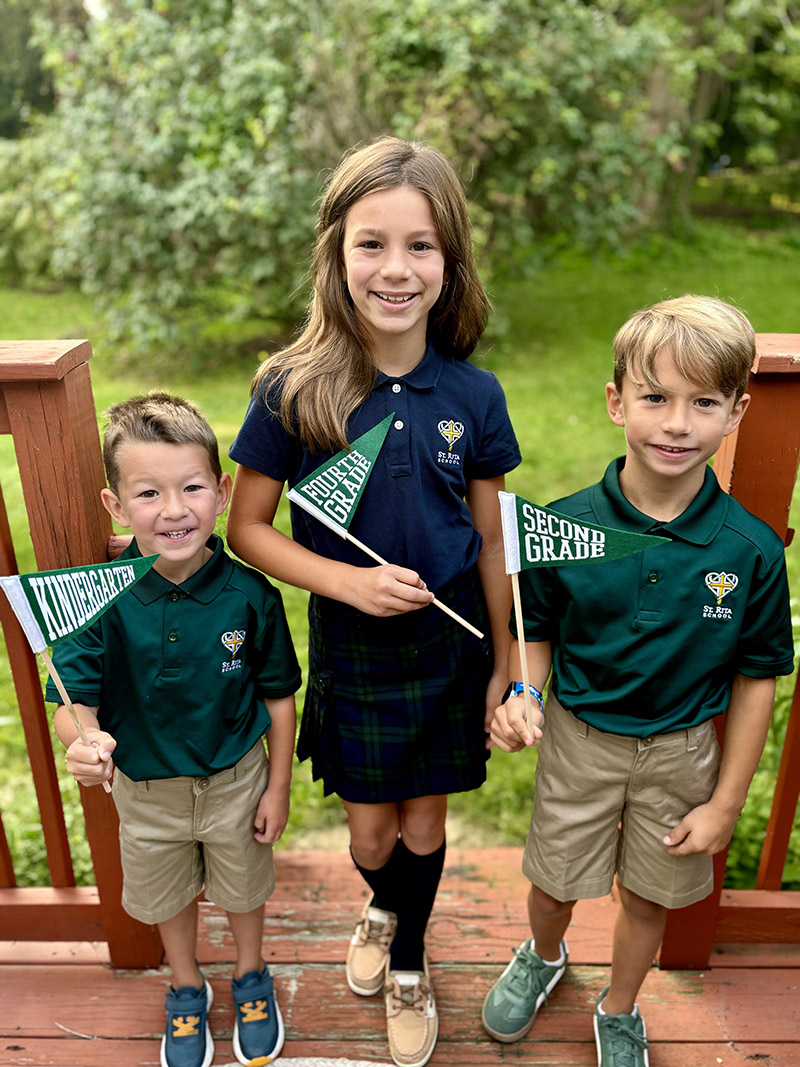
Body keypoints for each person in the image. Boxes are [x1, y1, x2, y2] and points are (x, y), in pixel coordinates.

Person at [227, 136, 520, 1067]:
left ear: (450, 261)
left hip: (449, 653)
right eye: (372, 243)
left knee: (425, 823)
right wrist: (348, 579)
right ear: (336, 252)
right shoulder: (292, 387)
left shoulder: (473, 394)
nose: (396, 268)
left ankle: (409, 959)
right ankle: (383, 898)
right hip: (353, 651)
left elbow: (492, 539)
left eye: (421, 246)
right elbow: (249, 528)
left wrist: (509, 663)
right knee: (370, 829)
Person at [482, 295, 795, 1067]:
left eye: (703, 403)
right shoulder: (568, 524)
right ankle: (544, 953)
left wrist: (727, 801)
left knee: (650, 896)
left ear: (736, 411)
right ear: (618, 402)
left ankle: (620, 1005)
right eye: (655, 397)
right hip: (580, 740)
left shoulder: (750, 550)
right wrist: (524, 693)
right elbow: (538, 629)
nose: (677, 423)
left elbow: (758, 679)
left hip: (682, 752)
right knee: (554, 883)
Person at [49, 393, 301, 1067]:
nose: (173, 509)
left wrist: (277, 787)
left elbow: (278, 698)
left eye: (192, 487)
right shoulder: (96, 598)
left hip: (237, 781)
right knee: (166, 894)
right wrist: (83, 737)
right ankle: (186, 984)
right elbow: (71, 701)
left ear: (221, 491)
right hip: (147, 790)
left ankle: (250, 975)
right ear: (116, 505)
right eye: (149, 492)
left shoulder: (251, 595)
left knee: (244, 887)